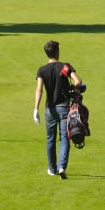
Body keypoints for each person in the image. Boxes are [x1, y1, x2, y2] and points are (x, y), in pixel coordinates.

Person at [34, 40, 83, 179]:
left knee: (50, 139)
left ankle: (52, 168)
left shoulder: (42, 70)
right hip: (64, 107)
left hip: (50, 109)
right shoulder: (64, 67)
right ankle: (62, 166)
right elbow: (78, 81)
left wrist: (35, 109)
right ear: (57, 52)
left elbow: (39, 90)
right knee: (64, 138)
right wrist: (72, 89)